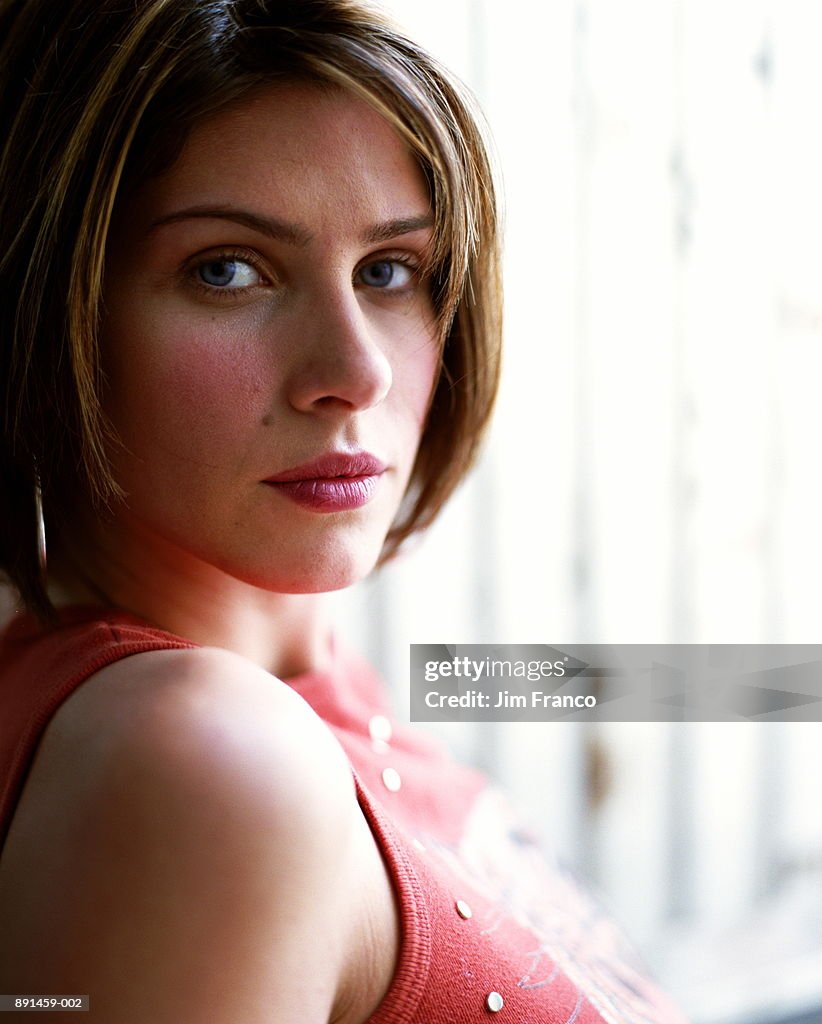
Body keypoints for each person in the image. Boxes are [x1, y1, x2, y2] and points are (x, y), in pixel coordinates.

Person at [0, 1, 689, 1021]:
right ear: (53, 310)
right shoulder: (202, 759)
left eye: (390, 271)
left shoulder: (282, 682)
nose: (355, 372)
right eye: (226, 269)